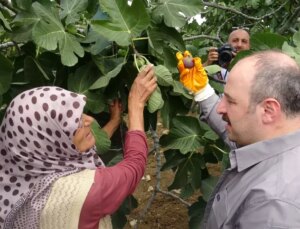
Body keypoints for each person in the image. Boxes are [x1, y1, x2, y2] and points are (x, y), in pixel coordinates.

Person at [0, 64, 157, 229]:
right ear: (52, 141)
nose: (88, 120)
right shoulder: (82, 193)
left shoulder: (21, 171)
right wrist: (136, 104)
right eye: (74, 123)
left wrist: (114, 122)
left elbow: (82, 150)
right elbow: (134, 165)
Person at [177, 50, 300, 228]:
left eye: (231, 101)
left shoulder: (272, 209)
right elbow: (241, 125)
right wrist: (202, 90)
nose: (220, 108)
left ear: (268, 110)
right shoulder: (276, 135)